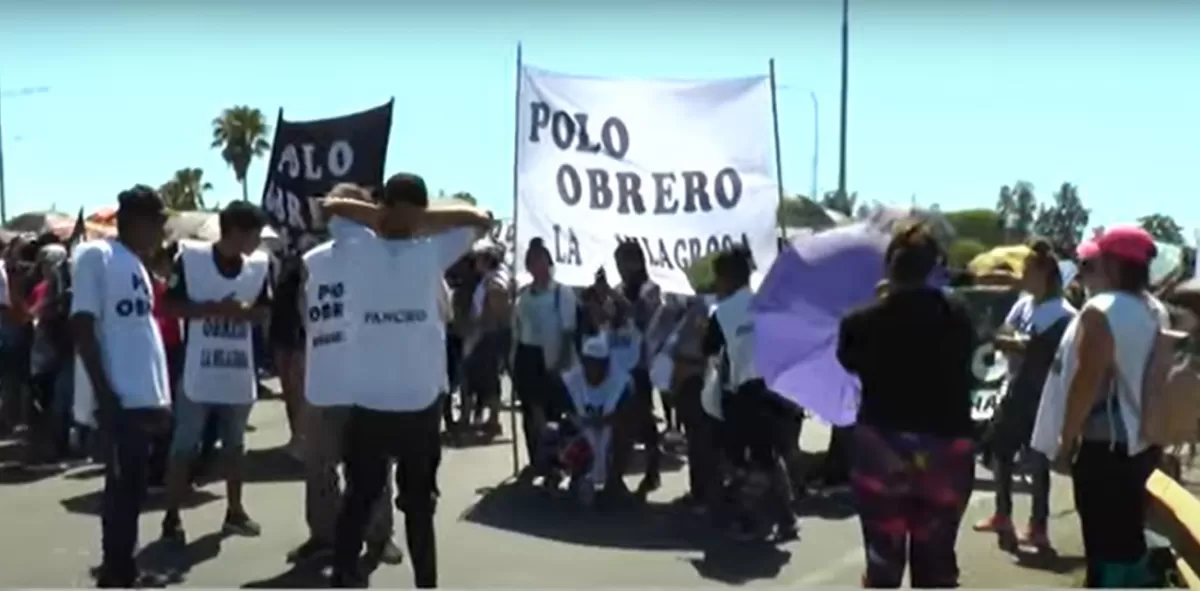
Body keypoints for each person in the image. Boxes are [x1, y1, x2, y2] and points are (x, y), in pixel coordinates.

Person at [313, 173, 490, 588]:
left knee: (419, 506)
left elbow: (482, 219)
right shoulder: (359, 246)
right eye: (398, 211)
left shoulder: (432, 251)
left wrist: (416, 219)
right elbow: (328, 207)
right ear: (384, 207)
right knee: (360, 498)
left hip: (420, 405)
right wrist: (387, 217)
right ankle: (343, 577)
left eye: (417, 214)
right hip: (370, 403)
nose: (408, 221)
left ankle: (426, 582)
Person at [836, 223, 977, 588]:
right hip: (948, 445)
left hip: (880, 446)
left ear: (889, 268)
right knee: (937, 561)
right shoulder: (959, 316)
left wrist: (883, 301)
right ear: (933, 267)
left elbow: (848, 360)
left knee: (882, 558)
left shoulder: (860, 322)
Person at [1039, 225, 1168, 587]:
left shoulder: (1101, 310)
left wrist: (1065, 441)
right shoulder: (1155, 309)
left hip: (1104, 444)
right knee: (1128, 537)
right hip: (1144, 440)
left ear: (1111, 263)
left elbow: (1086, 381)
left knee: (1103, 544)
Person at [288, 184, 403, 567]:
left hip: (368, 383)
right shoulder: (313, 261)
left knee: (372, 466)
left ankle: (379, 536)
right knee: (320, 466)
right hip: (326, 382)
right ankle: (324, 535)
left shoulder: (386, 254)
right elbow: (308, 317)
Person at [72, 185, 171, 588]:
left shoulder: (137, 264)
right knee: (121, 491)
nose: (161, 231)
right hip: (118, 397)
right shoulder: (97, 255)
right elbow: (82, 325)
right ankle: (115, 572)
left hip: (144, 396)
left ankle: (124, 566)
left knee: (134, 488)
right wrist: (104, 393)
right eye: (158, 222)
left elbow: (142, 335)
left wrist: (159, 395)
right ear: (135, 220)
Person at [158, 201, 273, 543]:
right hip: (198, 369)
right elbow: (168, 305)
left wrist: (245, 312)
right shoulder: (191, 260)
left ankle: (235, 512)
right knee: (184, 446)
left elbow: (265, 311)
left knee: (235, 446)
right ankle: (172, 516)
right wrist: (212, 309)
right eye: (254, 234)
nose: (258, 241)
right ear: (236, 231)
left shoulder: (258, 266)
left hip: (237, 370)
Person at [974, 238, 1076, 550]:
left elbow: (1041, 351)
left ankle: (1038, 526)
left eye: (1029, 271)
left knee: (1037, 462)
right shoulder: (1023, 303)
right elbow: (1005, 333)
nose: (1024, 276)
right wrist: (1012, 342)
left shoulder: (1064, 314)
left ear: (1045, 273)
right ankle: (1002, 514)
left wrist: (1016, 343)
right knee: (1000, 452)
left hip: (1043, 396)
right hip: (1014, 388)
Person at [703, 246, 797, 541]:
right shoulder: (767, 304)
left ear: (727, 278)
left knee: (741, 459)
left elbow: (709, 350)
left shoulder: (722, 313)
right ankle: (786, 518)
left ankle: (754, 520)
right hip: (775, 389)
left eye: (718, 278)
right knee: (768, 455)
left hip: (743, 392)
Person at [511, 237, 576, 473]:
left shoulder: (562, 293)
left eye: (542, 261)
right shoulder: (524, 296)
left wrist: (561, 362)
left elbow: (568, 331)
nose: (539, 266)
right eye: (533, 262)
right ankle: (536, 458)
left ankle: (557, 459)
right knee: (532, 409)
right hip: (528, 354)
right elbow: (517, 329)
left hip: (553, 356)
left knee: (554, 412)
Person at [612, 239, 664, 496]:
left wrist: (623, 305)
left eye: (624, 262)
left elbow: (646, 318)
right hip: (620, 361)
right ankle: (619, 472)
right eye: (618, 263)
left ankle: (652, 468)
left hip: (642, 363)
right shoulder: (618, 289)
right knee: (623, 416)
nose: (621, 269)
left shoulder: (651, 289)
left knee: (641, 413)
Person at [561, 333, 631, 505]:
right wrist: (577, 421)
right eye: (589, 363)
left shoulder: (622, 382)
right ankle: (577, 477)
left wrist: (604, 421)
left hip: (610, 429)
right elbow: (565, 411)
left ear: (606, 364)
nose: (592, 368)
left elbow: (627, 414)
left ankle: (614, 482)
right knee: (559, 433)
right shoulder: (571, 380)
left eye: (597, 364)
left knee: (624, 434)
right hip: (583, 429)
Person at [460, 240, 509, 436]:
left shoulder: (496, 281)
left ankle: (493, 419)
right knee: (475, 378)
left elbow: (496, 311)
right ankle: (478, 417)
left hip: (488, 337)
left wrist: (480, 328)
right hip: (481, 335)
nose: (475, 263)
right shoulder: (485, 279)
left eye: (479, 259)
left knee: (488, 379)